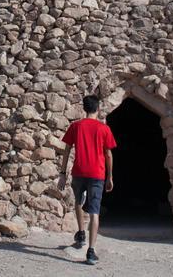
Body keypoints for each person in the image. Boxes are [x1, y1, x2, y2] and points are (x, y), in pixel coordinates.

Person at [58, 95, 117, 265]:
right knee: (94, 212)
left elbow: (67, 150)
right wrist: (110, 176)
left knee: (78, 201)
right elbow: (108, 154)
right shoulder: (103, 129)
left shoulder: (76, 126)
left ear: (84, 108)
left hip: (79, 172)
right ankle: (91, 252)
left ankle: (81, 233)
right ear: (98, 108)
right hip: (97, 174)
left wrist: (63, 173)